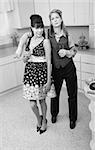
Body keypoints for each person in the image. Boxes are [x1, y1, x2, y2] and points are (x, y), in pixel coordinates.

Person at [15, 14, 52, 134]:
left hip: (41, 73)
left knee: (41, 101)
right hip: (30, 73)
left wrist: (48, 80)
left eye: (41, 27)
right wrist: (26, 56)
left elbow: (49, 61)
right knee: (32, 104)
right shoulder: (29, 40)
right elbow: (25, 60)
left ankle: (44, 121)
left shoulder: (45, 41)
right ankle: (39, 119)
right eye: (36, 28)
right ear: (31, 28)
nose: (39, 31)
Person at [48, 9, 78, 129]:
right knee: (55, 94)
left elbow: (74, 51)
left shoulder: (67, 34)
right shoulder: (48, 35)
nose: (55, 20)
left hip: (69, 68)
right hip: (56, 69)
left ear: (61, 19)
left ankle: (72, 118)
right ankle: (54, 114)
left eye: (57, 17)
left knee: (72, 94)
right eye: (52, 18)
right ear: (50, 21)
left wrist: (66, 52)